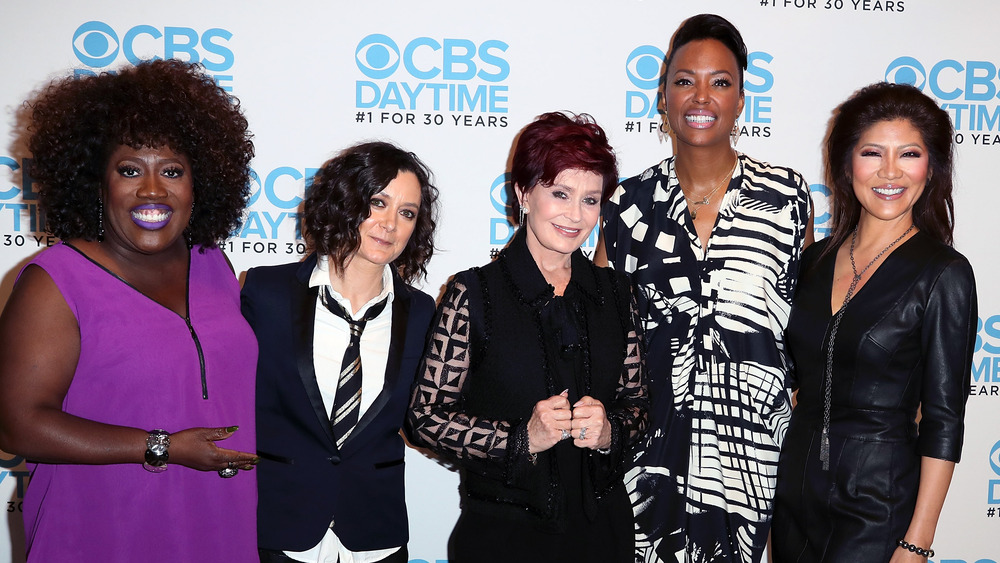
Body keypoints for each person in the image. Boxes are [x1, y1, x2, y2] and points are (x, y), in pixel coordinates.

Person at [0, 59, 258, 561]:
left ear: (198, 183)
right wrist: (163, 447)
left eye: (173, 171)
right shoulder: (55, 281)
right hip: (105, 529)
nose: (153, 189)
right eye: (130, 169)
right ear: (97, 181)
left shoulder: (213, 265)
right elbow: (17, 424)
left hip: (218, 522)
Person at [596, 13, 815, 563]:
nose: (702, 96)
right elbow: (600, 328)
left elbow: (809, 325)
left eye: (720, 82)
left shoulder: (786, 197)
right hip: (647, 450)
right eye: (684, 80)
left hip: (752, 451)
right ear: (663, 97)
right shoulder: (625, 205)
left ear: (741, 99)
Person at [408, 111, 648, 562]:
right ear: (523, 192)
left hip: (603, 533)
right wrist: (521, 438)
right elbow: (426, 417)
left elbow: (639, 404)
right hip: (503, 537)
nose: (576, 216)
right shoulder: (474, 293)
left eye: (591, 200)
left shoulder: (617, 293)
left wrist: (609, 430)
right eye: (560, 193)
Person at [771, 82, 977, 562]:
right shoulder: (813, 261)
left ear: (931, 167)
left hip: (877, 505)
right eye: (871, 153)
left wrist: (916, 541)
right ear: (846, 164)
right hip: (793, 495)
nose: (890, 172)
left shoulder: (943, 273)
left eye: (908, 154)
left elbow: (945, 419)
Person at [243, 141, 438, 563]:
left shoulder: (422, 312)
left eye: (406, 213)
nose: (390, 223)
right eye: (377, 202)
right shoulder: (266, 293)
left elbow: (427, 414)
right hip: (282, 527)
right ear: (344, 202)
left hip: (376, 533)